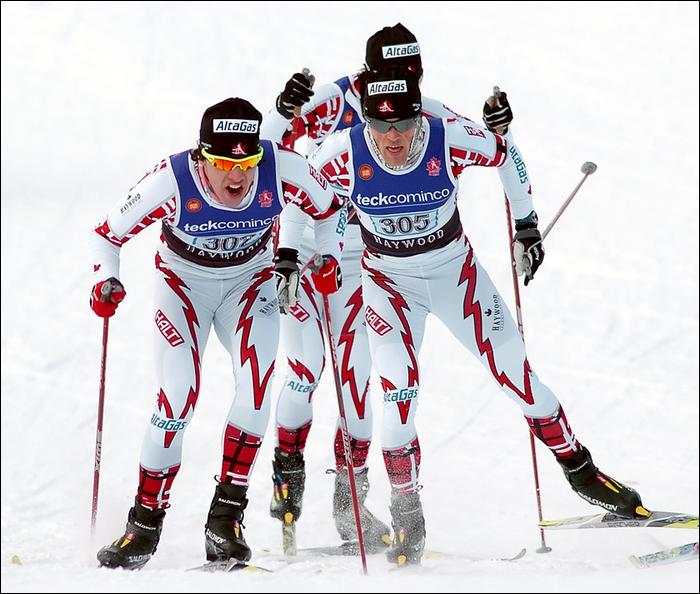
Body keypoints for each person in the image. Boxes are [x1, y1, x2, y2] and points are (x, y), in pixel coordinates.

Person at [300, 66, 647, 566]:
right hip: (389, 286)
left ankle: (583, 473)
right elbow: (303, 201)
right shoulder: (341, 152)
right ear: (365, 121)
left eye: (404, 123)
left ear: (419, 117)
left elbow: (506, 154)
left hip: (455, 277)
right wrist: (315, 254)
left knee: (518, 376)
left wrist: (527, 227)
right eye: (381, 125)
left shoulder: (446, 138)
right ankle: (407, 510)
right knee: (397, 394)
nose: (393, 136)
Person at [88, 97, 344, 570]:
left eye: (247, 163)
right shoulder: (172, 180)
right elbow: (107, 234)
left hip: (248, 283)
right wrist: (106, 279)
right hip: (183, 286)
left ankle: (225, 520)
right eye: (224, 163)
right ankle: (143, 524)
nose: (237, 176)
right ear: (201, 156)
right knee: (177, 397)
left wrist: (327, 256)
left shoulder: (283, 168)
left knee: (257, 385)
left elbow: (330, 208)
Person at [260, 22, 473, 549]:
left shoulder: (423, 111)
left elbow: (478, 147)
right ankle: (287, 480)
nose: (403, 81)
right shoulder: (335, 102)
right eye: (392, 71)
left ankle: (348, 504)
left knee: (356, 382)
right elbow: (266, 151)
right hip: (309, 248)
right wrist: (283, 109)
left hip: (367, 259)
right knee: (306, 369)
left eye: (412, 71)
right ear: (369, 70)